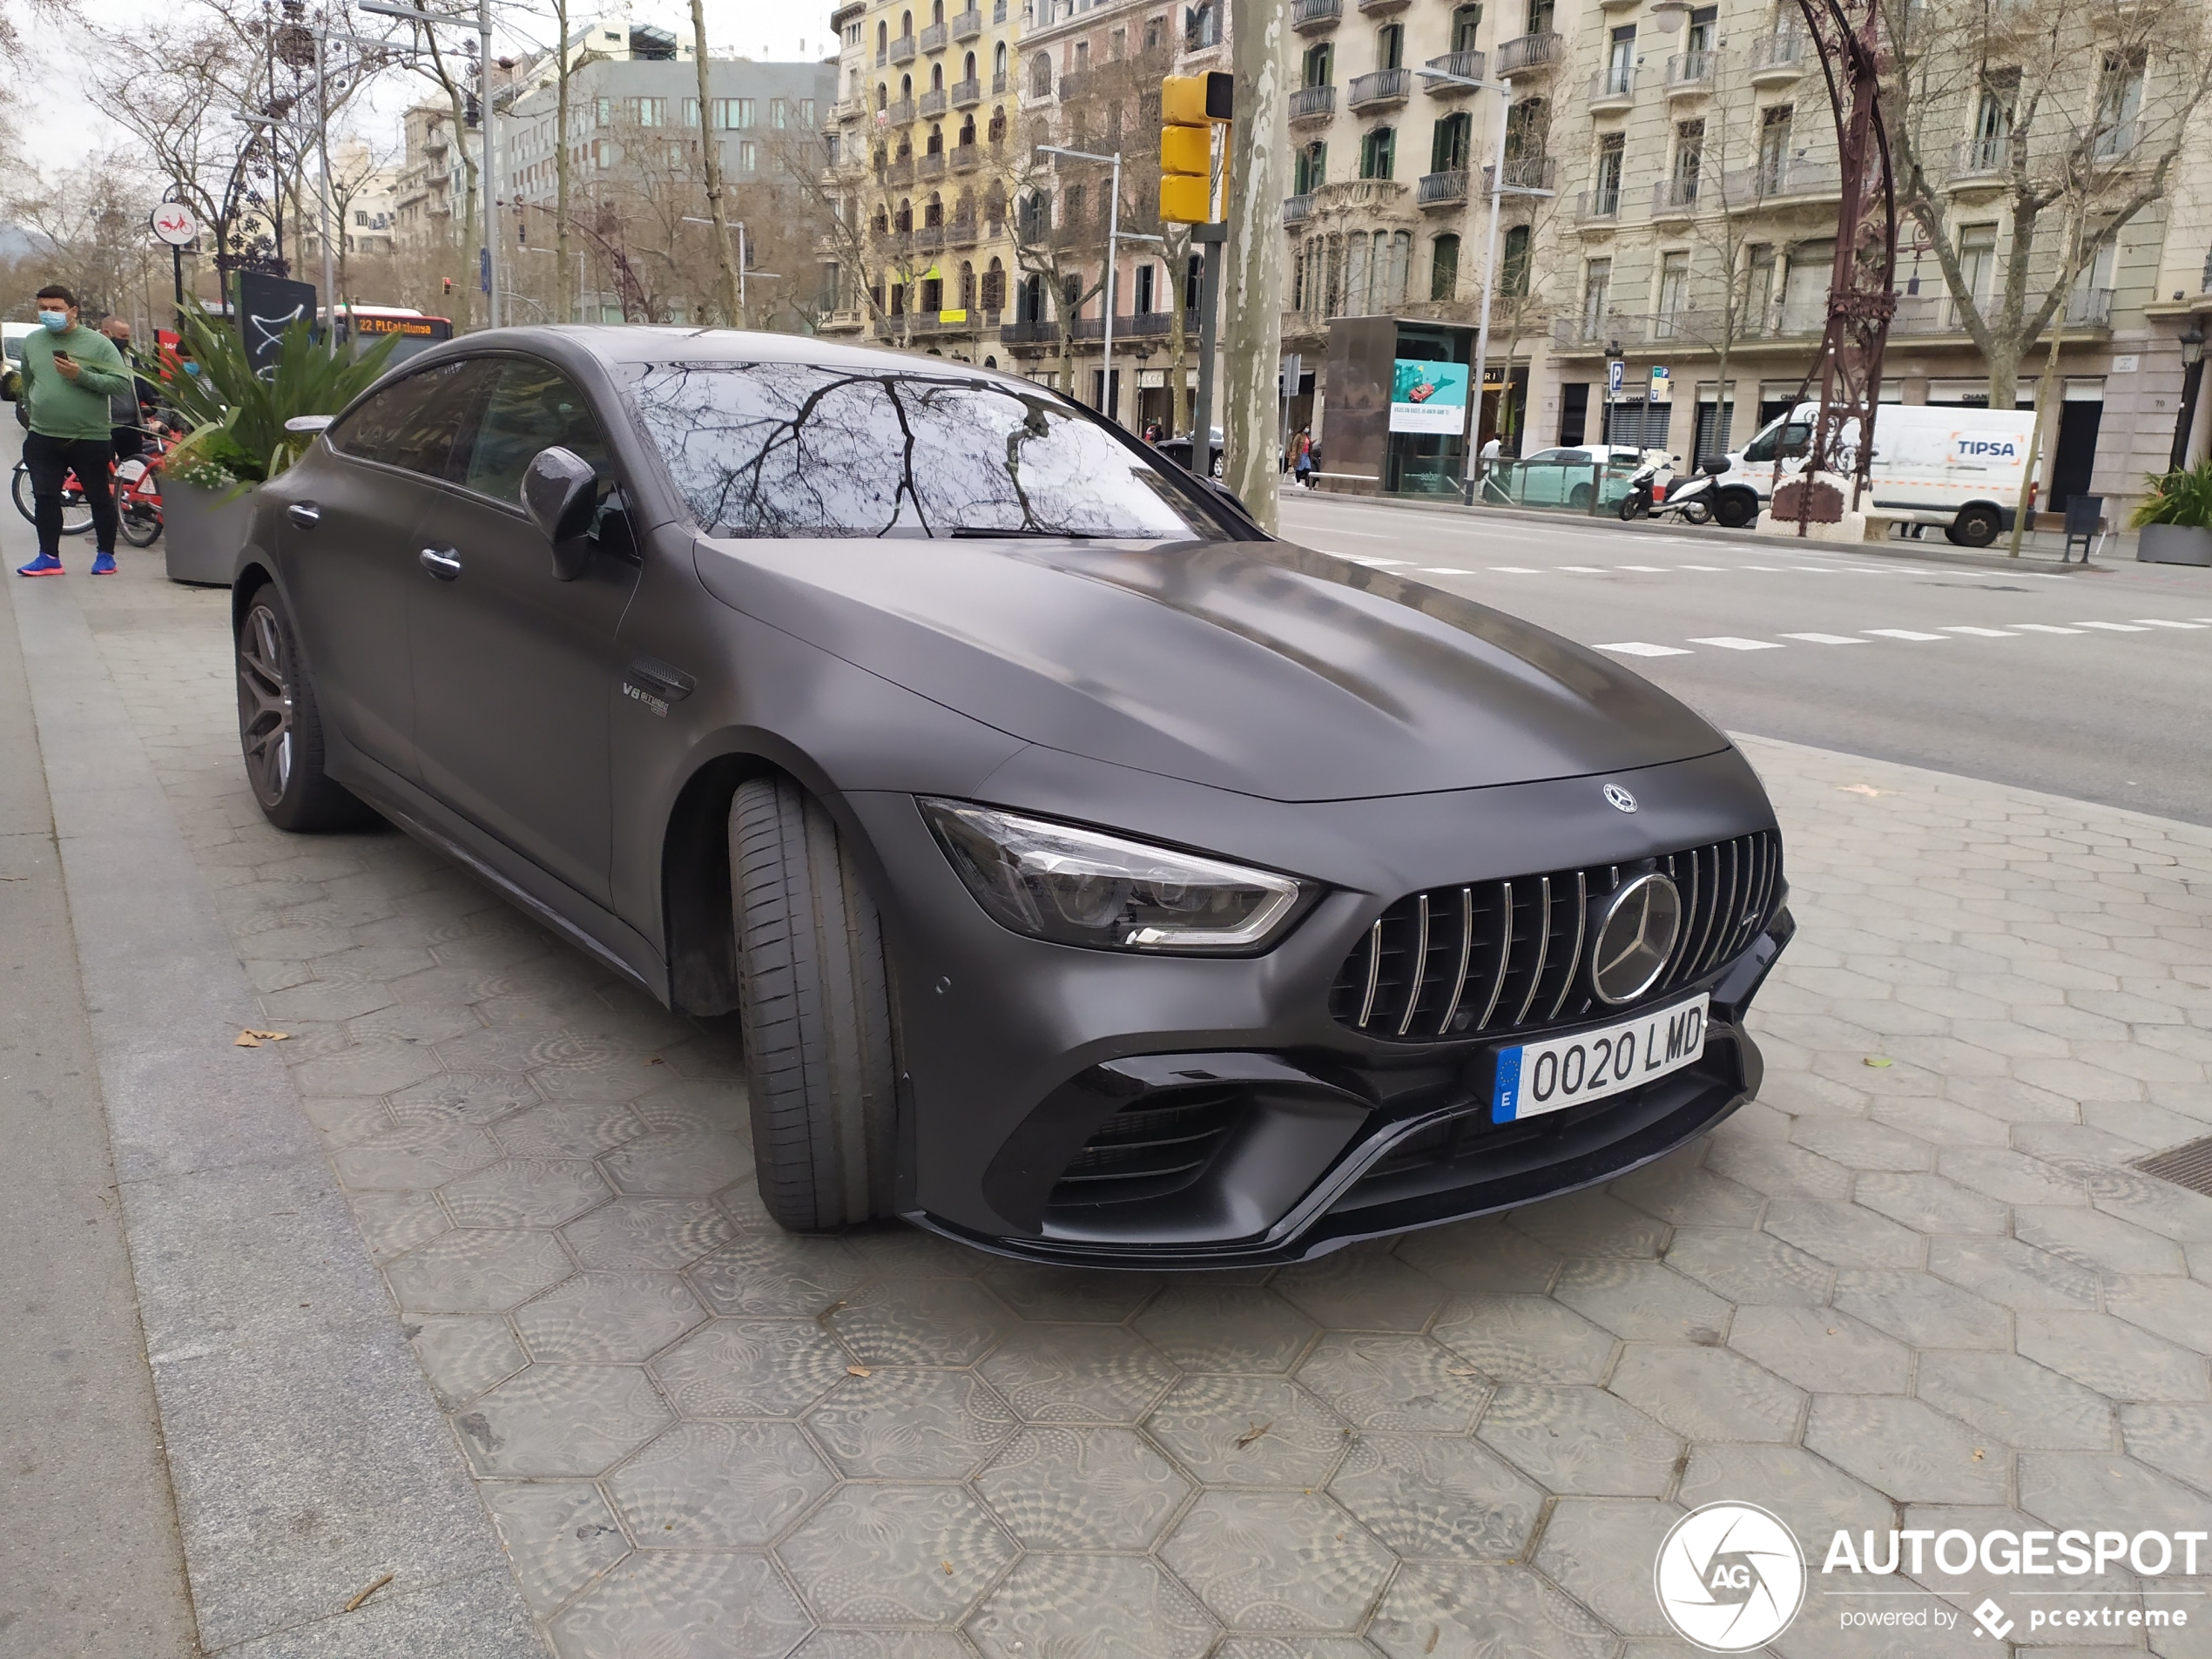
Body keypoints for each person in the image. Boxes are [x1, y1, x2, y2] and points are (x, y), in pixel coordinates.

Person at [15, 285, 130, 577]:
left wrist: (81, 376)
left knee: (98, 497)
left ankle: (106, 556)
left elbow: (120, 383)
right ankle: (48, 557)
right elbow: (27, 381)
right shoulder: (32, 342)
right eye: (43, 308)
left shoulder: (99, 344)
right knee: (45, 496)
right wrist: (31, 408)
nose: (48, 314)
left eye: (55, 308)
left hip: (89, 436)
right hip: (43, 435)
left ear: (73, 310)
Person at [97, 315, 164, 463]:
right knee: (106, 467)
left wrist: (155, 405)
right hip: (106, 425)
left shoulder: (131, 359)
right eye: (123, 336)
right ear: (106, 333)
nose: (126, 340)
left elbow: (141, 385)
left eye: (128, 336)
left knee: (135, 465)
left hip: (132, 424)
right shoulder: (94, 358)